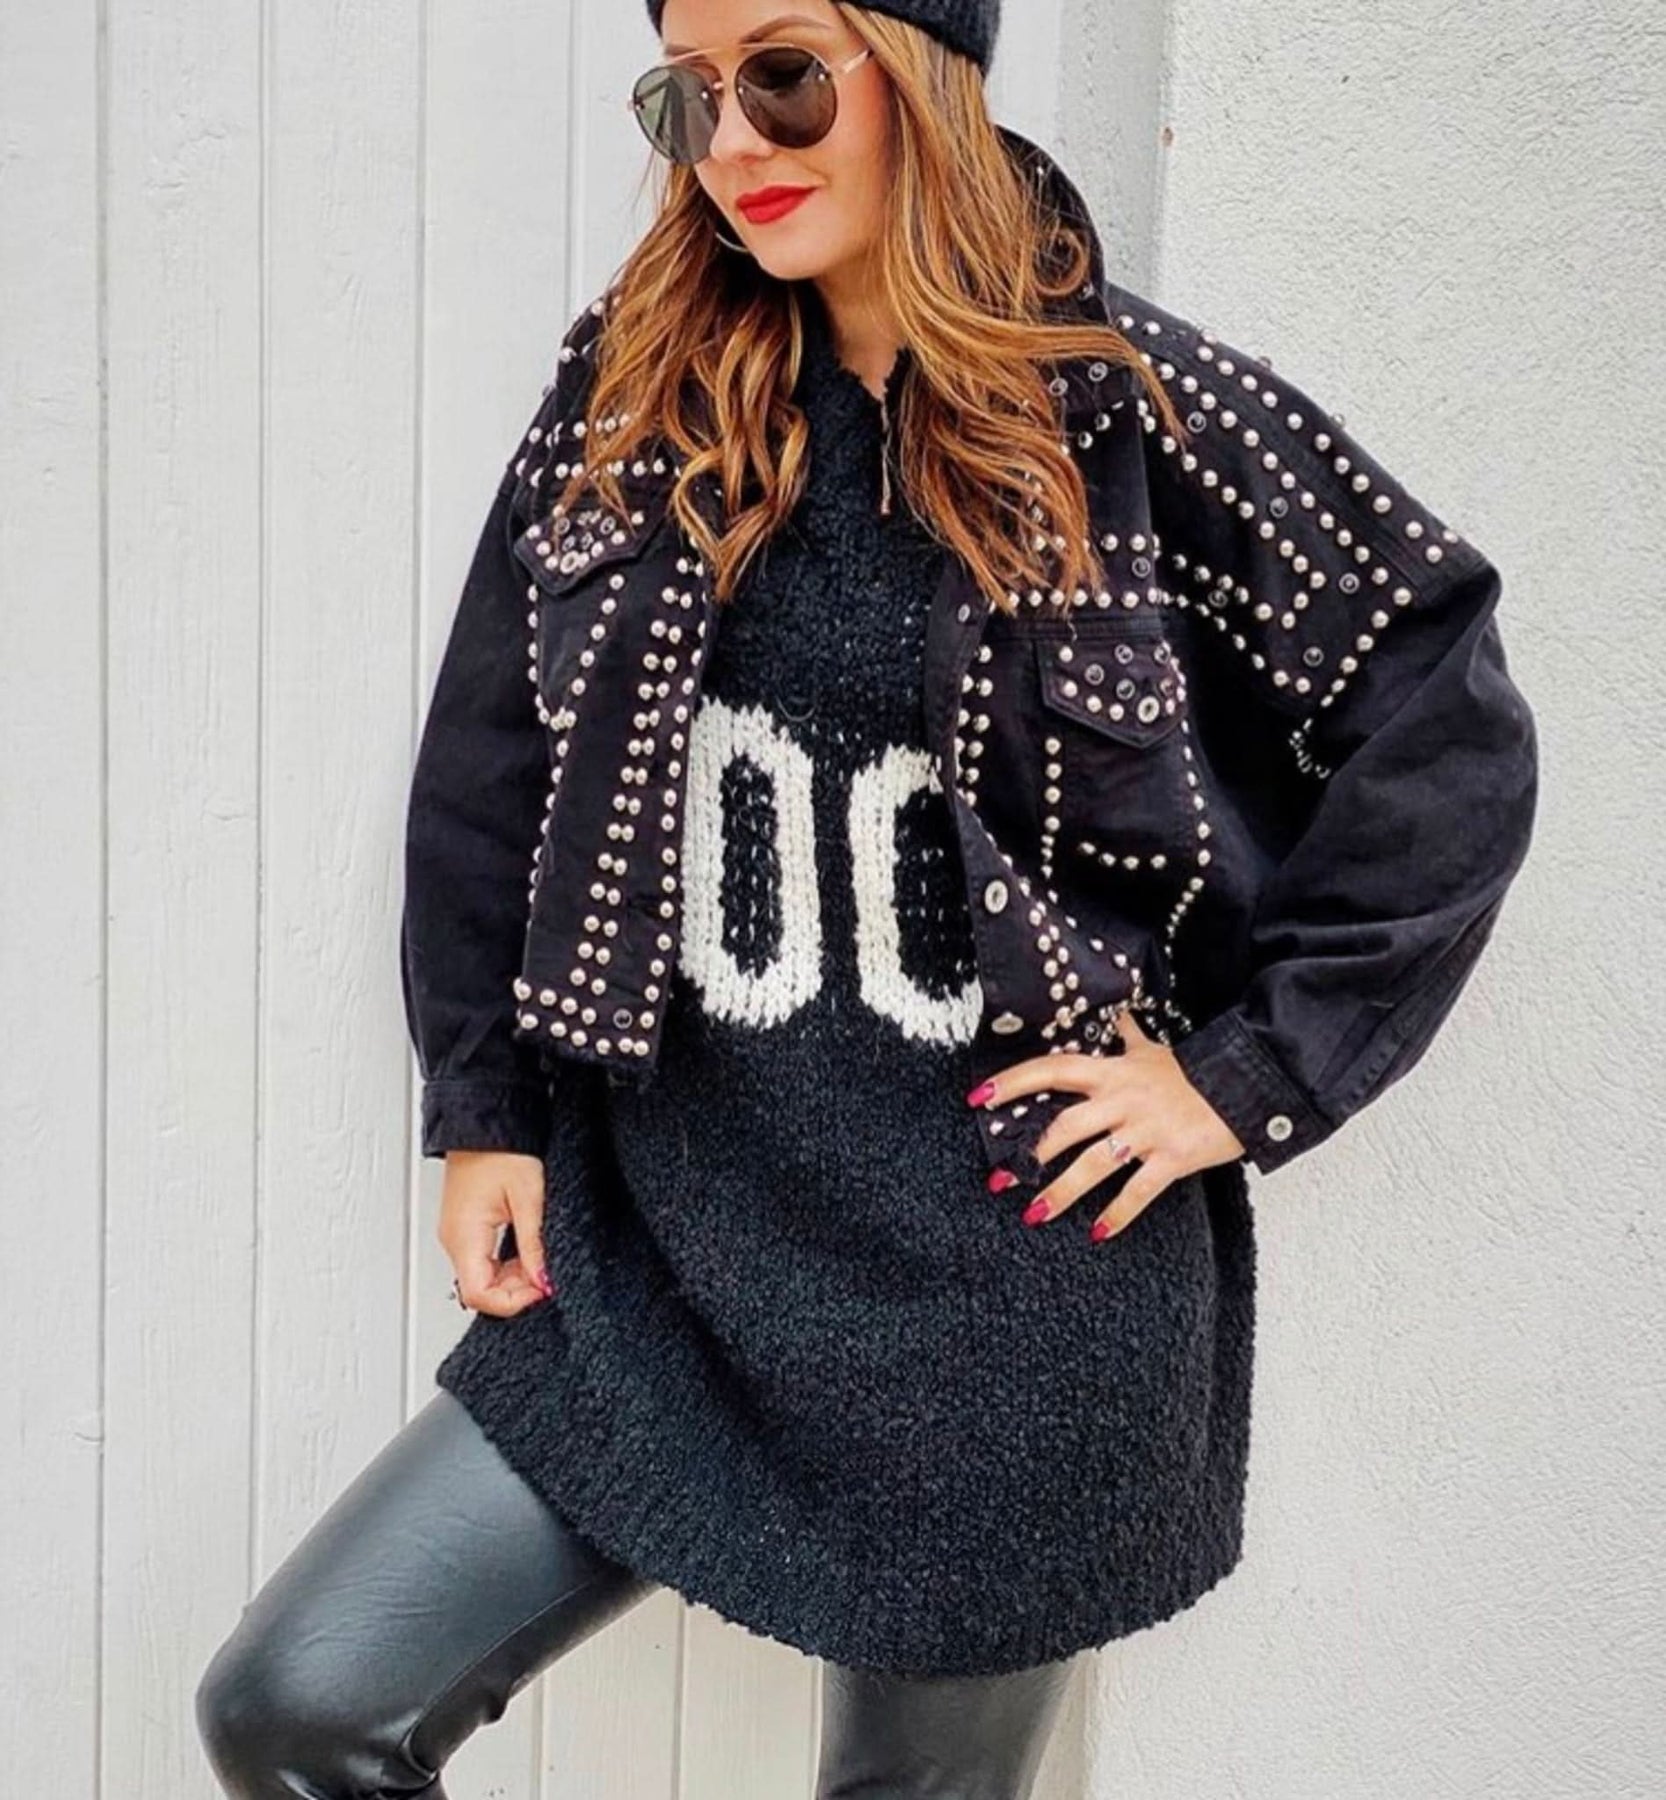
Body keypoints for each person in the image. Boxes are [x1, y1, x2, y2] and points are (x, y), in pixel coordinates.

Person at [194, 1, 1540, 1794]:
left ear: (927, 74)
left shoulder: (1140, 415)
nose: (734, 144)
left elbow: (1439, 718)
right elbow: (489, 763)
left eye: (782, 76)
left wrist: (1243, 1079)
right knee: (298, 1707)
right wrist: (486, 1107)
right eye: (687, 97)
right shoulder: (637, 400)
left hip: (1019, 1299)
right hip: (662, 1251)